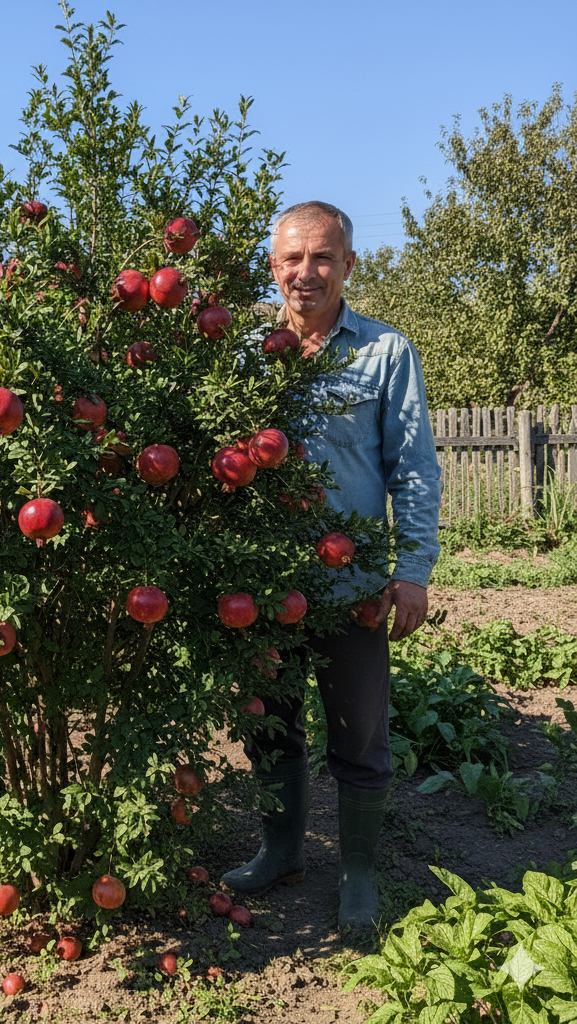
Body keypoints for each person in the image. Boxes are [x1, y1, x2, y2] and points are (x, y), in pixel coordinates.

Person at [221, 201, 441, 934]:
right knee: (268, 726)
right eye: (292, 258)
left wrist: (412, 569)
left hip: (352, 590)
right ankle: (281, 850)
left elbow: (414, 469)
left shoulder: (385, 352)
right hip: (262, 588)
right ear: (274, 266)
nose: (306, 272)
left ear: (348, 264)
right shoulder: (244, 352)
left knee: (359, 734)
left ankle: (358, 874)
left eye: (322, 257)